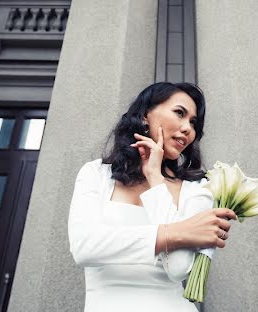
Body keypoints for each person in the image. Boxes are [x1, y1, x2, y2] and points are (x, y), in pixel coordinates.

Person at [68, 82, 237, 311]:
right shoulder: (96, 173)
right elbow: (84, 247)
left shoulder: (197, 188)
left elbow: (177, 268)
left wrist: (156, 178)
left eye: (193, 123)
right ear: (146, 114)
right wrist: (174, 233)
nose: (188, 128)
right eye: (180, 113)